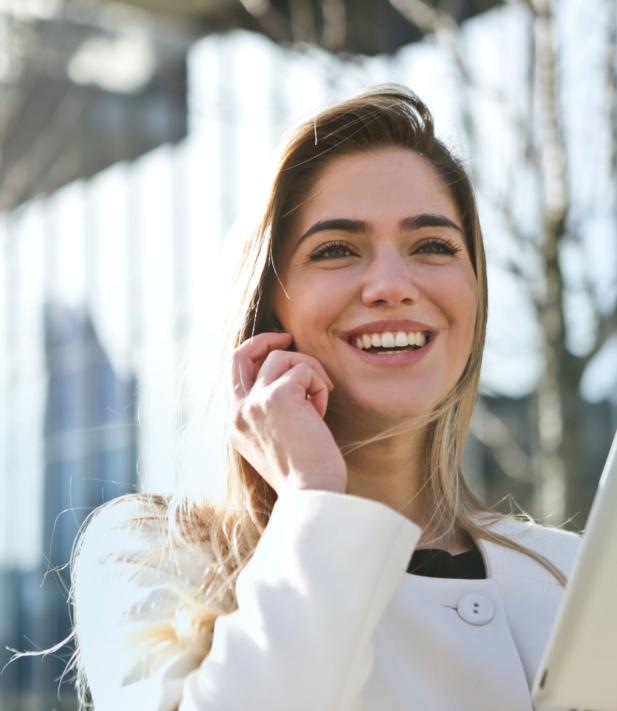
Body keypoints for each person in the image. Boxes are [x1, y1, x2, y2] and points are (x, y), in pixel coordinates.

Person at [72, 85, 580, 711]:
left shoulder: (573, 576)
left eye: (433, 246)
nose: (393, 286)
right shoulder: (155, 556)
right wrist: (312, 497)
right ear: (265, 310)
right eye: (336, 249)